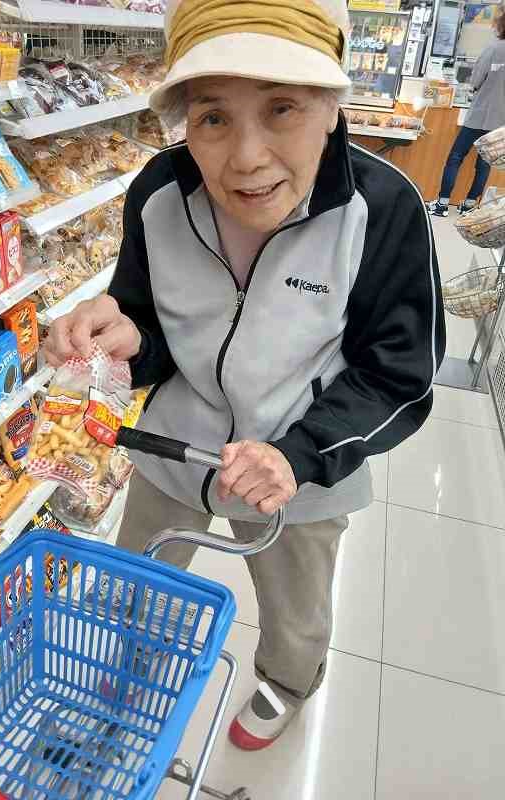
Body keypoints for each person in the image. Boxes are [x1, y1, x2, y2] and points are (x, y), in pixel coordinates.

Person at [46, 0, 445, 750]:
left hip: (304, 461)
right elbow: (149, 320)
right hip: (174, 446)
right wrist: (127, 340)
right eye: (213, 118)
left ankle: (287, 682)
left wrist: (300, 454)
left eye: (282, 108)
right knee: (141, 580)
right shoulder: (160, 193)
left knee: (296, 602)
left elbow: (399, 375)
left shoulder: (382, 208)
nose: (247, 158)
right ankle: (129, 667)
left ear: (331, 107)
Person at [428, 8, 505, 217]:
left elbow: (475, 81)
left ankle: (442, 204)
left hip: (479, 116)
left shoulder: (493, 48)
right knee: (484, 163)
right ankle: (469, 205)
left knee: (455, 157)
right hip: (499, 122)